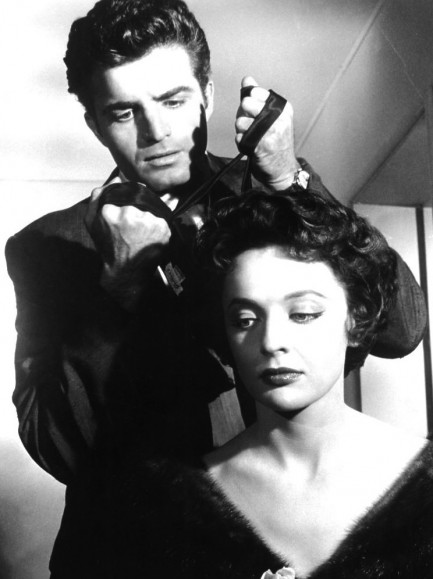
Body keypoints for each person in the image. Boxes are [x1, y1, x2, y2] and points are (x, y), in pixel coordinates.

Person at [4, 0, 427, 575]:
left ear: (207, 92)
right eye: (123, 112)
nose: (156, 132)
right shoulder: (46, 246)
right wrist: (118, 288)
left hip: (280, 537)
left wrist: (288, 180)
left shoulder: (273, 187)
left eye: (173, 101)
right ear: (94, 124)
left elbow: (403, 329)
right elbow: (61, 449)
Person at [97, 190, 432, 578]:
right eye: (245, 320)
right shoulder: (169, 503)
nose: (271, 342)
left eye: (302, 314)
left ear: (356, 317)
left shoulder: (425, 486)